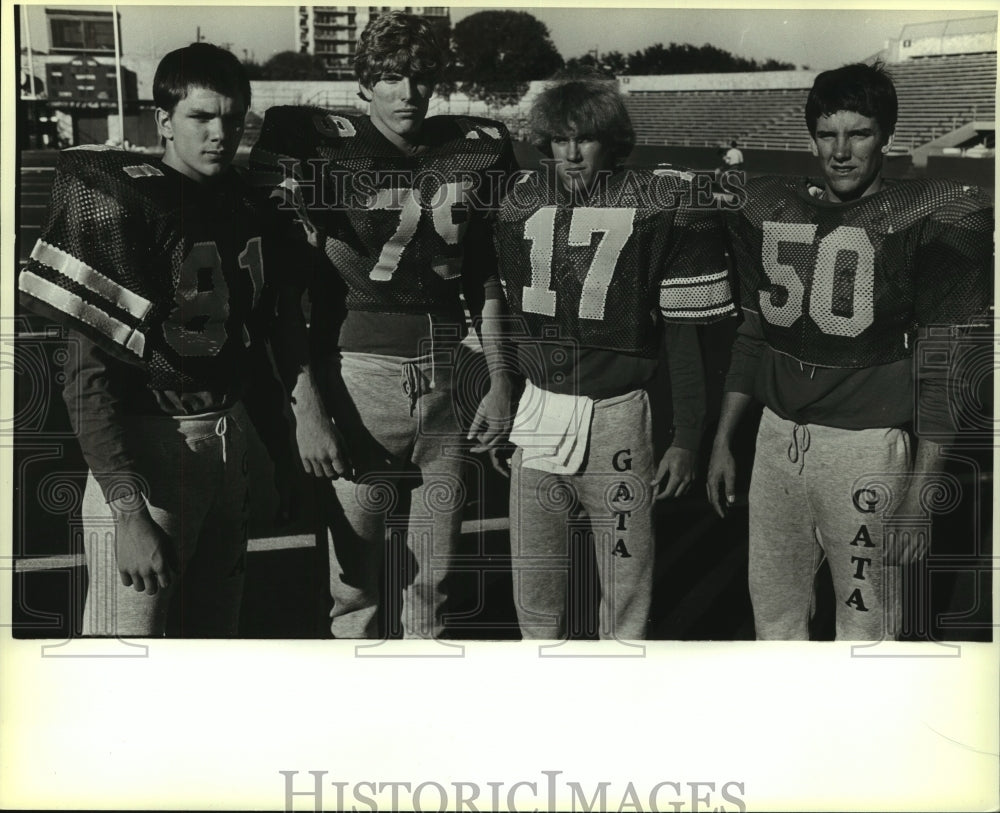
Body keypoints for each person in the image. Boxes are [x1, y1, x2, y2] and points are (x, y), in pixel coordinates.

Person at [249, 11, 516, 639]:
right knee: (354, 584)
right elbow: (286, 298)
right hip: (358, 378)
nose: (408, 93)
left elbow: (485, 279)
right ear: (365, 83)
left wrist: (502, 379)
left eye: (420, 78)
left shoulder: (470, 150)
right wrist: (308, 410)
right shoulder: (318, 146)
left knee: (434, 582)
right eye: (391, 77)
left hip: (448, 380)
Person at [706, 61, 993, 640]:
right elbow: (756, 334)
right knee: (775, 619)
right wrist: (722, 440)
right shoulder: (780, 211)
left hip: (863, 450)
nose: (840, 151)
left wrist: (919, 493)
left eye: (858, 133)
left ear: (885, 135)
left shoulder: (922, 217)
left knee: (866, 630)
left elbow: (943, 365)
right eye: (827, 134)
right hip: (777, 439)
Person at [18, 43, 292, 637]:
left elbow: (258, 347)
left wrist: (270, 454)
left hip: (228, 438)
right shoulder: (124, 202)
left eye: (233, 116)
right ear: (163, 120)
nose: (220, 132)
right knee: (126, 650)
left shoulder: (245, 203)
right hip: (152, 452)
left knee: (215, 639)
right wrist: (127, 510)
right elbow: (87, 382)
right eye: (200, 117)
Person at [493, 78, 736, 640]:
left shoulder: (657, 203)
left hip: (618, 416)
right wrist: (506, 397)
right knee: (535, 592)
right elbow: (500, 314)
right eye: (557, 140)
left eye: (585, 140)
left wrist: (687, 436)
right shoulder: (520, 202)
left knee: (626, 592)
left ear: (613, 142)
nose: (570, 154)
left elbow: (682, 337)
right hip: (541, 409)